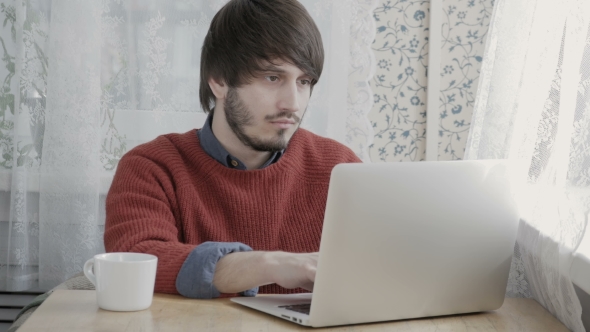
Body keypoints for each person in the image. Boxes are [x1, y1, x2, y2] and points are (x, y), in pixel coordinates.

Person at [104, 0, 361, 299]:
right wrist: (269, 264)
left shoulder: (341, 168)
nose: (292, 103)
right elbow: (136, 260)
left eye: (304, 81)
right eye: (272, 77)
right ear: (219, 81)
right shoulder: (152, 167)